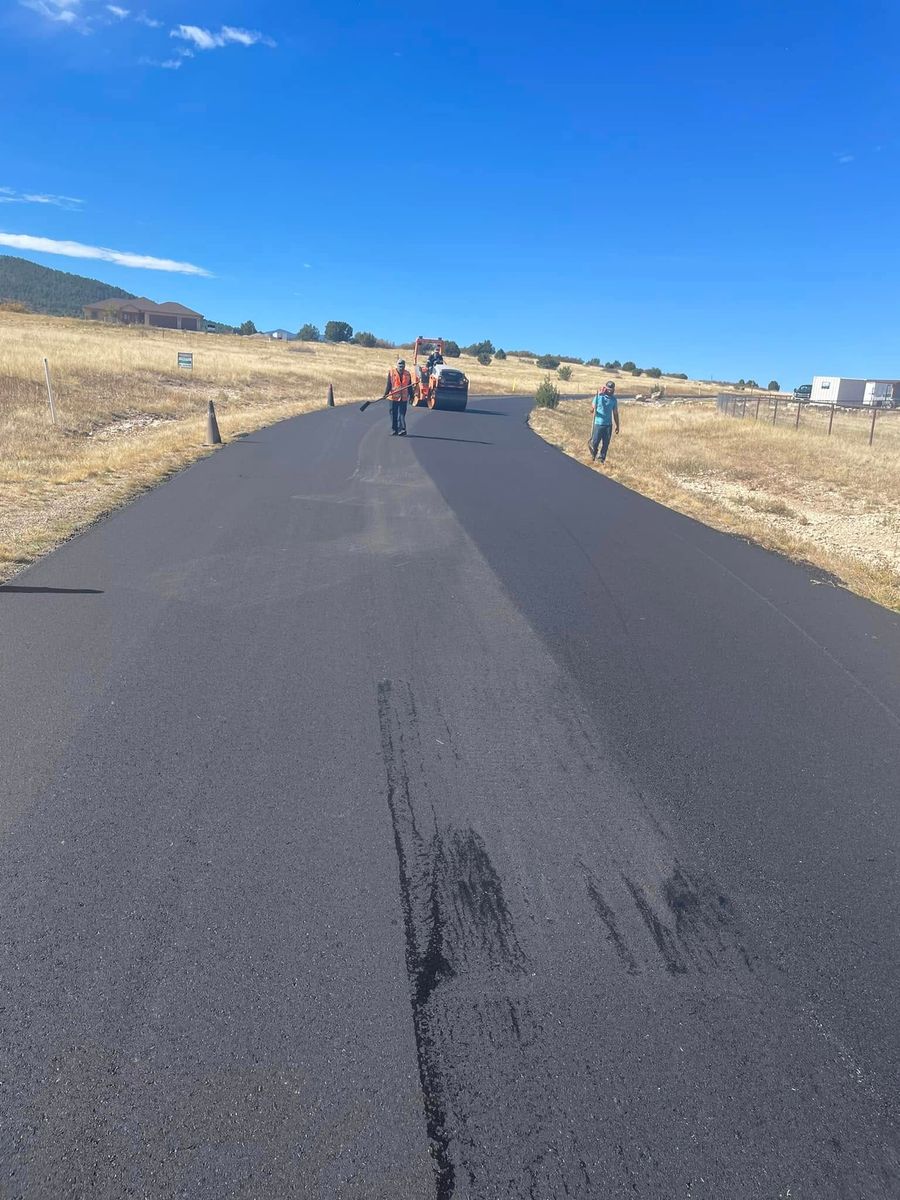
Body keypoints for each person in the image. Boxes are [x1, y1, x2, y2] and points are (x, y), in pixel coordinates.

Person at [588, 381, 620, 463]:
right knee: (595, 442)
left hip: (608, 425)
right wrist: (593, 408)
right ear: (605, 388)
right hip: (598, 424)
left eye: (612, 390)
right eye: (608, 389)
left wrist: (617, 425)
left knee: (606, 444)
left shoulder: (614, 400)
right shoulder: (598, 397)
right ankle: (593, 454)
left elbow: (615, 413)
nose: (610, 391)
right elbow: (591, 410)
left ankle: (601, 459)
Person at [382, 358, 414, 436]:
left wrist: (412, 396)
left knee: (402, 414)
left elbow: (410, 386)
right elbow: (389, 384)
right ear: (397, 366)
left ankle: (402, 429)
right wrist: (385, 394)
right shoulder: (391, 373)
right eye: (400, 366)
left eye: (402, 366)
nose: (401, 368)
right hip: (393, 398)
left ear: (404, 366)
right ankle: (394, 430)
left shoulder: (407, 374)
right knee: (394, 414)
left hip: (403, 398)